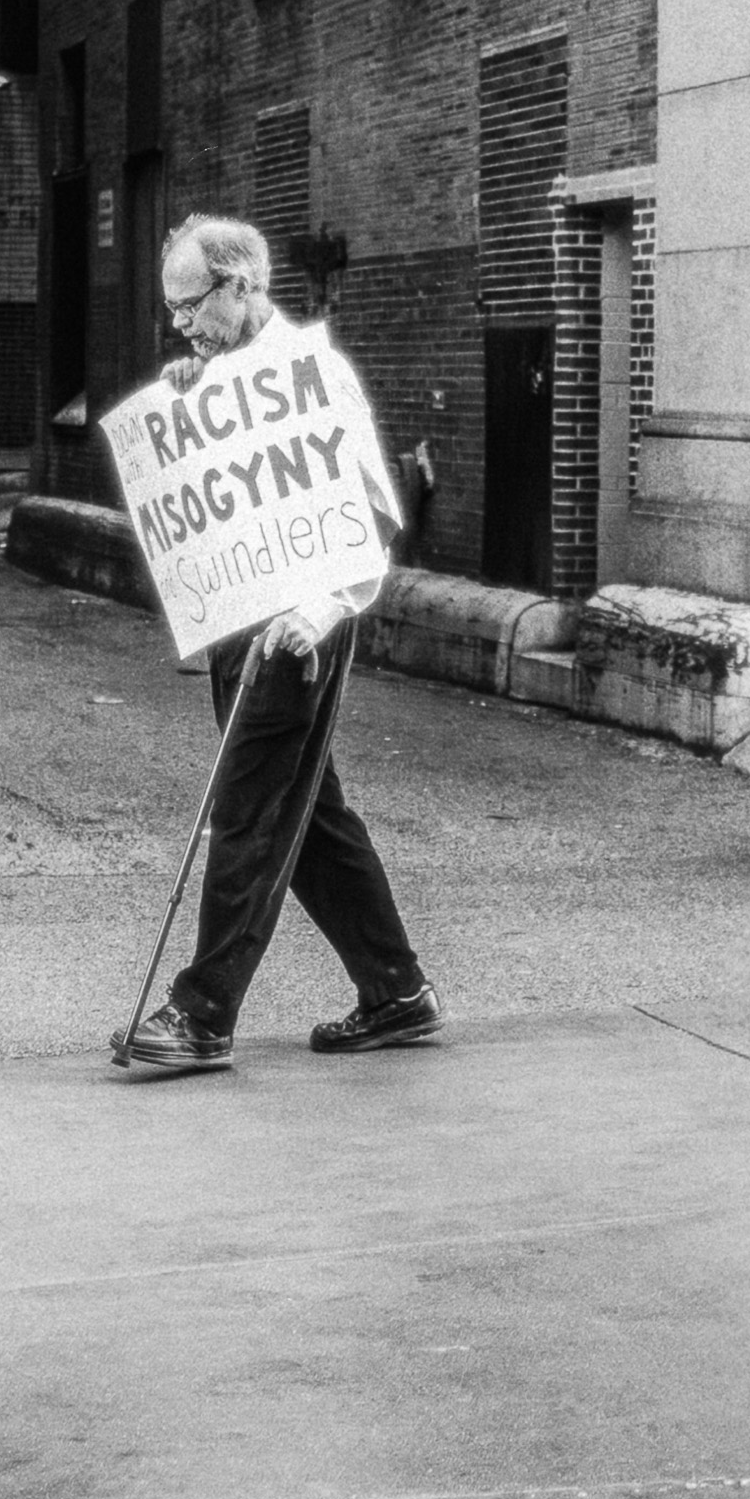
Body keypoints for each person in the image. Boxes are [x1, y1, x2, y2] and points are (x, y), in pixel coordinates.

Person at [117, 214, 442, 1072]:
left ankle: (203, 1013)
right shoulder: (222, 376)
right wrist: (189, 401)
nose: (179, 323)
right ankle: (396, 992)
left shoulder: (313, 376)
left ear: (242, 286)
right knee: (312, 816)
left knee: (250, 809)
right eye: (173, 310)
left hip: (296, 628)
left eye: (191, 305)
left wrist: (324, 606)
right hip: (239, 623)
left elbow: (371, 514)